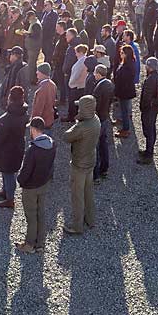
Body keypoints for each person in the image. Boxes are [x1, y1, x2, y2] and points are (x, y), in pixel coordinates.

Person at [15, 117, 56, 254]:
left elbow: (26, 171)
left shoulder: (32, 150)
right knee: (41, 213)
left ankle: (29, 244)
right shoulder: (51, 144)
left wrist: (20, 180)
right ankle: (40, 244)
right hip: (43, 184)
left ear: (33, 129)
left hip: (30, 188)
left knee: (31, 216)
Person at [62, 94, 100, 234]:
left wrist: (76, 122)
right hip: (91, 161)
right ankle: (90, 220)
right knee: (88, 192)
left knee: (77, 196)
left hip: (79, 164)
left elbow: (66, 136)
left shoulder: (82, 126)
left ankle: (77, 226)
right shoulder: (96, 120)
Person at [0, 86, 28, 208]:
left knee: (8, 173)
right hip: (18, 147)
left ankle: (10, 199)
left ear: (10, 99)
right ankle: (5, 190)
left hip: (7, 151)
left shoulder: (6, 119)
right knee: (8, 172)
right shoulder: (24, 113)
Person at [92, 64, 114, 181]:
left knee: (95, 146)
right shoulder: (110, 84)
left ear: (99, 74)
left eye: (95, 73)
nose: (94, 75)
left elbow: (96, 105)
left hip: (99, 118)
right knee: (103, 144)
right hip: (105, 117)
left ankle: (95, 175)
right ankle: (104, 168)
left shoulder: (99, 87)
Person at [138, 57, 158, 164]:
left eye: (147, 65)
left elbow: (146, 96)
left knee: (149, 130)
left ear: (150, 66)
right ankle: (149, 150)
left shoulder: (151, 79)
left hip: (149, 109)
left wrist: (143, 107)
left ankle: (149, 155)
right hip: (154, 108)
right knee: (151, 128)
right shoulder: (157, 76)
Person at [114, 45, 138, 139]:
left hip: (125, 92)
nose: (120, 54)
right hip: (124, 91)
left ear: (126, 54)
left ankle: (126, 130)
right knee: (124, 110)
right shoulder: (127, 63)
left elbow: (125, 80)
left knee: (125, 111)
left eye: (122, 53)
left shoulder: (128, 66)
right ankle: (124, 127)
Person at [31, 63, 57, 128]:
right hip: (49, 119)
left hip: (42, 123)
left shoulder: (42, 89)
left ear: (43, 73)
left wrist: (33, 123)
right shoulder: (53, 84)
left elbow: (38, 108)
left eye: (38, 71)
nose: (36, 73)